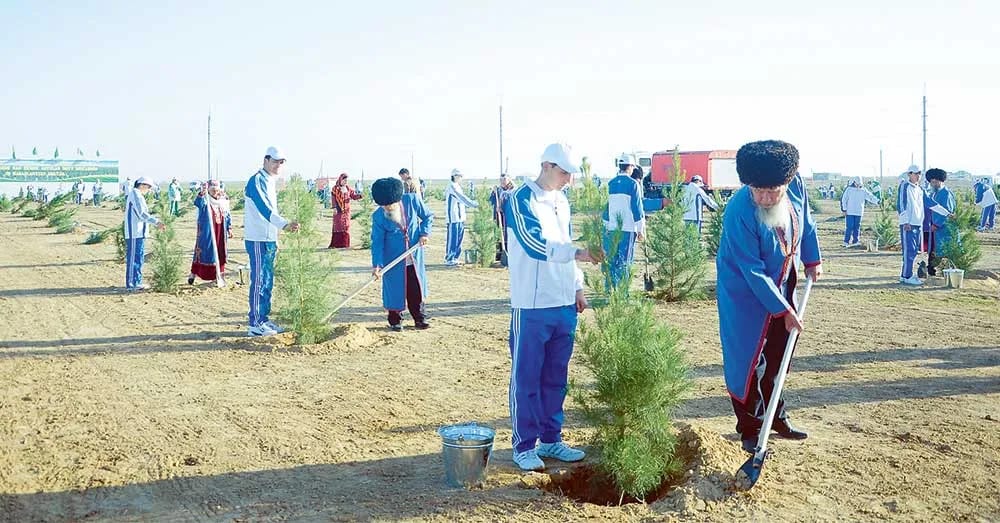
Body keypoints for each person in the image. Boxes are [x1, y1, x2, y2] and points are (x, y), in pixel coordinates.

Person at [716, 140, 822, 455]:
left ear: (786, 184)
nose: (763, 198)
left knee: (779, 352)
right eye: (757, 191)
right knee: (749, 360)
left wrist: (812, 259)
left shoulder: (796, 187)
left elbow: (807, 223)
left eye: (772, 192)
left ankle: (776, 416)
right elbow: (751, 269)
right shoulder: (738, 211)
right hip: (744, 291)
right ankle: (751, 427)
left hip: (782, 281)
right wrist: (782, 309)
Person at [504, 143, 600, 471]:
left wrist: (577, 286)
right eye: (564, 173)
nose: (569, 180)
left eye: (572, 174)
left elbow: (565, 239)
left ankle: (551, 439)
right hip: (532, 305)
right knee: (527, 378)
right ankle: (524, 446)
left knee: (556, 378)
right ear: (546, 165)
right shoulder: (521, 199)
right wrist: (578, 253)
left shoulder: (562, 201)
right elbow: (533, 243)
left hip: (563, 304)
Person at [244, 146, 300, 337]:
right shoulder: (257, 180)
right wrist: (284, 224)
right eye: (275, 161)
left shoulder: (270, 181)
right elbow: (264, 208)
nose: (278, 165)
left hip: (269, 238)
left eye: (281, 162)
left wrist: (277, 235)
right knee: (259, 280)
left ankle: (264, 318)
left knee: (267, 280)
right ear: (266, 160)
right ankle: (255, 323)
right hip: (257, 238)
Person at [370, 177, 434, 332]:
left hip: (413, 255)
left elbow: (428, 216)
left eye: (390, 204)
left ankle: (419, 317)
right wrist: (377, 265)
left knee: (415, 287)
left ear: (397, 199)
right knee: (394, 289)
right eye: (384, 205)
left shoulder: (412, 201)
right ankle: (395, 320)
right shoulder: (378, 216)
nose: (387, 208)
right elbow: (377, 242)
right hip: (393, 259)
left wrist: (424, 233)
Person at [896, 165, 952, 285]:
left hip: (918, 224)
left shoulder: (920, 189)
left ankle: (905, 275)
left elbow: (931, 203)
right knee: (909, 251)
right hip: (908, 224)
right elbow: (901, 204)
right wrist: (905, 221)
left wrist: (947, 213)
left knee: (913, 251)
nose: (918, 176)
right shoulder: (905, 186)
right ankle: (907, 276)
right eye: (915, 173)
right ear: (909, 174)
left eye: (919, 173)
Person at [602, 153, 646, 289]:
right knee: (624, 262)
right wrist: (641, 230)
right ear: (630, 167)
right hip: (627, 228)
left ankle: (610, 290)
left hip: (611, 228)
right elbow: (637, 208)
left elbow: (607, 208)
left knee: (612, 260)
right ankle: (623, 293)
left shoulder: (611, 183)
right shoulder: (633, 184)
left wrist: (605, 226)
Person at [124, 177, 166, 291]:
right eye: (148, 187)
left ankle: (137, 281)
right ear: (142, 185)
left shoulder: (138, 195)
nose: (149, 190)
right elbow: (141, 214)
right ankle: (132, 284)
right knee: (134, 258)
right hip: (134, 233)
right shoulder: (135, 194)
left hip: (139, 233)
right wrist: (156, 222)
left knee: (138, 257)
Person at [187, 180, 232, 285]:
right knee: (204, 252)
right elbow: (198, 203)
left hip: (220, 231)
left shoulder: (223, 201)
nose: (215, 192)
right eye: (212, 190)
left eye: (217, 190)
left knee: (220, 251)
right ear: (209, 191)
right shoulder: (205, 200)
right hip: (207, 232)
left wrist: (229, 228)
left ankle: (218, 275)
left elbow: (227, 215)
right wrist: (202, 193)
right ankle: (193, 273)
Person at [924, 169, 956, 276]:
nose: (933, 184)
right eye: (931, 182)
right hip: (935, 228)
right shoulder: (934, 193)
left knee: (945, 250)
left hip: (944, 228)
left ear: (941, 181)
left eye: (935, 182)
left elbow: (948, 212)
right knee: (933, 249)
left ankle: (949, 271)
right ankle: (931, 269)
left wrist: (937, 224)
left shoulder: (946, 194)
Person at [443, 168, 478, 266]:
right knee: (453, 238)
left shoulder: (458, 186)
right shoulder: (452, 186)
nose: (461, 178)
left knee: (459, 238)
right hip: (453, 217)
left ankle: (455, 257)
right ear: (454, 176)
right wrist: (475, 204)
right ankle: (449, 258)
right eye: (459, 176)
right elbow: (462, 198)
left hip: (460, 217)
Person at [840, 177, 878, 247]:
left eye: (859, 184)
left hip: (859, 212)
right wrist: (844, 209)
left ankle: (855, 241)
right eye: (856, 184)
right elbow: (844, 199)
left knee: (857, 227)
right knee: (849, 227)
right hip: (850, 212)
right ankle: (846, 242)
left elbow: (870, 196)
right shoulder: (849, 190)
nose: (858, 185)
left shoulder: (863, 190)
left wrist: (877, 201)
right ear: (854, 182)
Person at [329, 172, 363, 248]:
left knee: (346, 226)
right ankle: (337, 244)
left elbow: (353, 196)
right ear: (340, 180)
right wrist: (334, 207)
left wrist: (360, 196)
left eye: (346, 180)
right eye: (344, 180)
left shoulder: (348, 188)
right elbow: (333, 199)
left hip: (346, 211)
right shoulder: (335, 188)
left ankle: (345, 244)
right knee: (338, 226)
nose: (345, 182)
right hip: (338, 210)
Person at [489, 174, 516, 266]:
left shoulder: (513, 190)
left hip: (508, 217)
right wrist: (493, 193)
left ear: (509, 180)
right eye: (501, 180)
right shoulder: (498, 190)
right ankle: (499, 255)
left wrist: (502, 207)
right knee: (498, 235)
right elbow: (491, 201)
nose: (502, 182)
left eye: (504, 179)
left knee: (508, 235)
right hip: (498, 217)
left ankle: (509, 254)